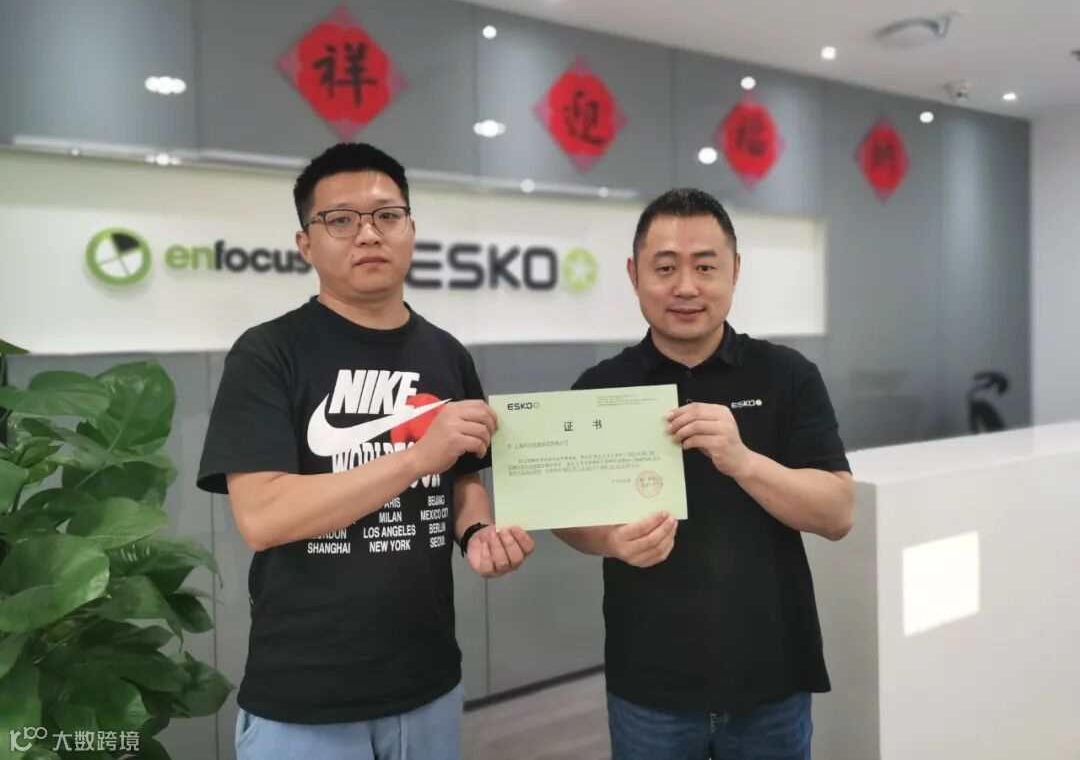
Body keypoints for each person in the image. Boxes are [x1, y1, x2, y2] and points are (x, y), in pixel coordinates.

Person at [197, 142, 534, 760]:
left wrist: (477, 532)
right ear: (306, 244)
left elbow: (462, 477)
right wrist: (414, 458)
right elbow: (263, 516)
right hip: (306, 699)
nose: (368, 234)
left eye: (386, 215)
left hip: (430, 683)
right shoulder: (268, 353)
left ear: (411, 230)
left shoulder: (447, 353)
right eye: (341, 220)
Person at [556, 187, 853, 759]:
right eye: (665, 267)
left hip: (773, 678)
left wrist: (744, 461)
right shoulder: (600, 388)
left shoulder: (787, 375)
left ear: (735, 271)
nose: (686, 287)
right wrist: (610, 541)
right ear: (634, 275)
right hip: (650, 684)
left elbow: (837, 514)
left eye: (706, 266)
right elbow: (567, 517)